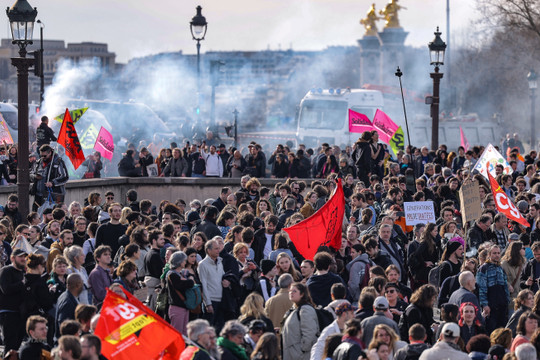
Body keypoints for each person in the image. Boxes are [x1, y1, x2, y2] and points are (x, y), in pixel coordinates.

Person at [476, 244, 510, 332]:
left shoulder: (500, 268)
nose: (497, 255)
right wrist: (485, 304)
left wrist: (507, 300)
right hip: (491, 305)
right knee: (491, 330)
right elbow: (481, 288)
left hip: (502, 304)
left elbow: (505, 286)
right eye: (494, 253)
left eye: (498, 253)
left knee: (502, 330)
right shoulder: (483, 268)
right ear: (489, 254)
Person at [0, 248, 27, 357]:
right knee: (10, 345)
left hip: (20, 313)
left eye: (24, 257)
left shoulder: (24, 273)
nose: (23, 259)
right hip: (8, 313)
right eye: (20, 256)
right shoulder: (6, 270)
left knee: (17, 345)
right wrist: (22, 283)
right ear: (12, 258)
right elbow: (5, 289)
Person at [282, 282, 319, 360]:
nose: (291, 293)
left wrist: (301, 350)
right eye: (290, 291)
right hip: (294, 354)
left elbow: (310, 332)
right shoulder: (294, 309)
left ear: (302, 294)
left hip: (301, 356)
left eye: (294, 291)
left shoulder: (305, 309)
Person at [30, 144, 69, 210]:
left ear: (50, 153)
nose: (43, 157)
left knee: (53, 214)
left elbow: (65, 176)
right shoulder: (38, 162)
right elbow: (30, 173)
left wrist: (52, 182)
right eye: (41, 155)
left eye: (44, 156)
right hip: (39, 195)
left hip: (53, 194)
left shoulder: (58, 162)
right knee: (36, 214)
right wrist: (35, 177)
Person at [198, 238, 226, 329]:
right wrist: (208, 303)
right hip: (211, 301)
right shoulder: (203, 264)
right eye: (216, 248)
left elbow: (223, 276)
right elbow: (204, 285)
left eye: (219, 248)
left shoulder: (220, 262)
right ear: (208, 250)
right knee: (208, 328)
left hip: (221, 300)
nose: (219, 250)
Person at [166, 251, 196, 335]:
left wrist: (188, 279)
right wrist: (189, 280)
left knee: (184, 333)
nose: (185, 262)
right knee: (177, 334)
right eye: (183, 260)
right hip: (176, 307)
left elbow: (191, 278)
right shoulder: (172, 274)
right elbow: (185, 284)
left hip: (183, 306)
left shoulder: (180, 274)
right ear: (179, 262)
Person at [55, 273, 84, 340]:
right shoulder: (67, 302)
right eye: (82, 283)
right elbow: (64, 325)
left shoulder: (66, 296)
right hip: (67, 343)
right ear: (78, 285)